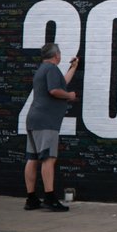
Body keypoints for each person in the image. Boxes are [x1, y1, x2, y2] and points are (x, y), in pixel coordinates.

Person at [24, 43, 78, 211]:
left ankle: (31, 199)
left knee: (32, 159)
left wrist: (73, 67)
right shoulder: (52, 69)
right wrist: (69, 96)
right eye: (60, 53)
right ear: (56, 56)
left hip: (34, 120)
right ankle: (50, 198)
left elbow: (61, 84)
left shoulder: (44, 69)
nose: (60, 56)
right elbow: (55, 90)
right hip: (46, 122)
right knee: (48, 159)